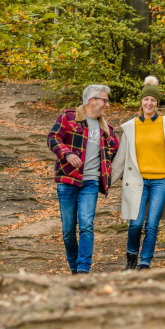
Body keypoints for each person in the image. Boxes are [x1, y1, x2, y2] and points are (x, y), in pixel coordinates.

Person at [111, 76, 165, 270]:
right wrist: (104, 182)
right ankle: (131, 258)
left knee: (152, 224)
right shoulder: (130, 127)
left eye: (153, 100)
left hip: (161, 181)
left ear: (157, 103)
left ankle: (145, 261)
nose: (149, 103)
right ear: (141, 101)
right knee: (136, 223)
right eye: (146, 99)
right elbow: (121, 158)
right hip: (137, 180)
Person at [47, 84, 119, 274]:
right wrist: (67, 154)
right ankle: (74, 267)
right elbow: (53, 137)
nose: (107, 105)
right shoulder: (68, 117)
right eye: (105, 100)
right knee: (69, 230)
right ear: (91, 100)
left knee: (87, 225)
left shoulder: (107, 130)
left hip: (91, 183)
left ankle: (83, 270)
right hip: (68, 181)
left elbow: (116, 152)